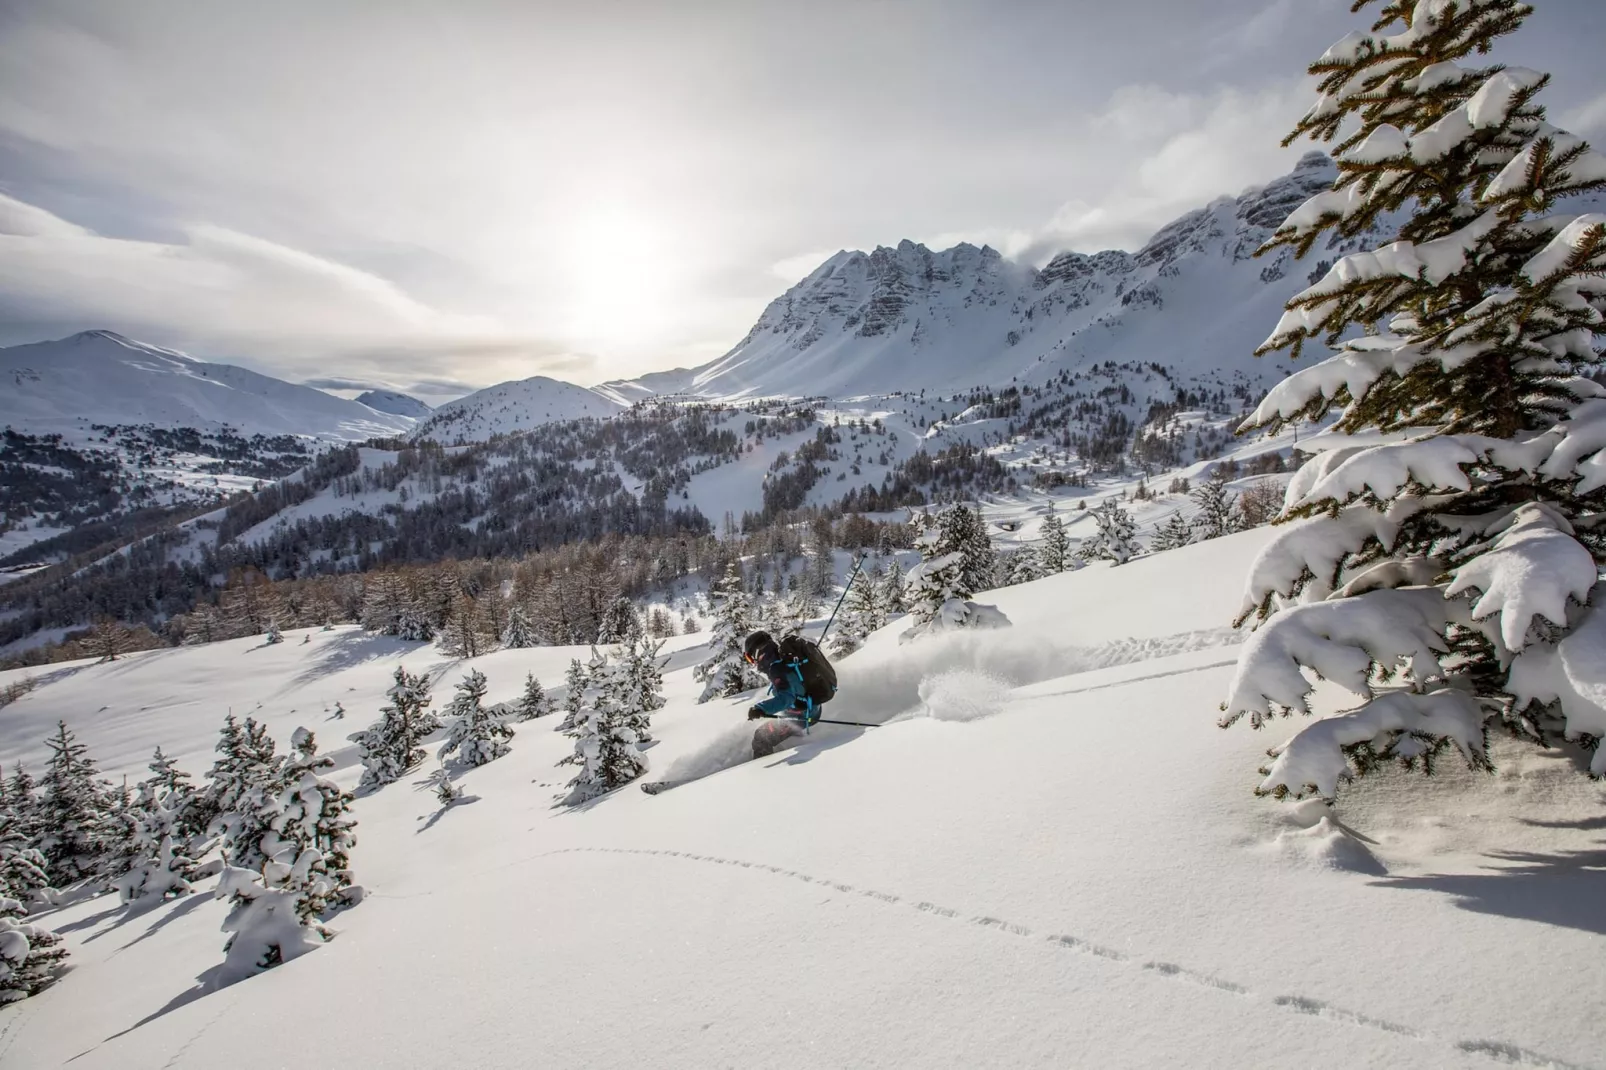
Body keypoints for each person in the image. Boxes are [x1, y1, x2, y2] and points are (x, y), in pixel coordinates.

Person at [743, 630, 815, 758]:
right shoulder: (783, 660)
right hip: (808, 709)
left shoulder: (777, 669)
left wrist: (761, 708)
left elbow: (787, 697)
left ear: (758, 652)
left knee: (761, 737)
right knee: (766, 733)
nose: (753, 662)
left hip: (801, 717)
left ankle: (764, 771)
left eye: (750, 658)